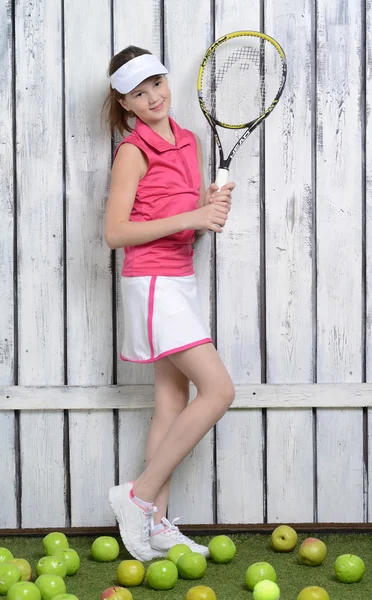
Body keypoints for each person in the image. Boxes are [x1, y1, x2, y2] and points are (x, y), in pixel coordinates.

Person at [103, 45, 236, 562]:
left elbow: (187, 219)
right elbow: (116, 232)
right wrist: (192, 219)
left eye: (157, 83)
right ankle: (136, 497)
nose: (154, 96)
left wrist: (209, 206)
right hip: (152, 282)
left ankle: (156, 524)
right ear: (127, 105)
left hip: (179, 277)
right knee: (220, 390)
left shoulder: (189, 140)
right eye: (140, 92)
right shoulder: (131, 152)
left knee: (172, 402)